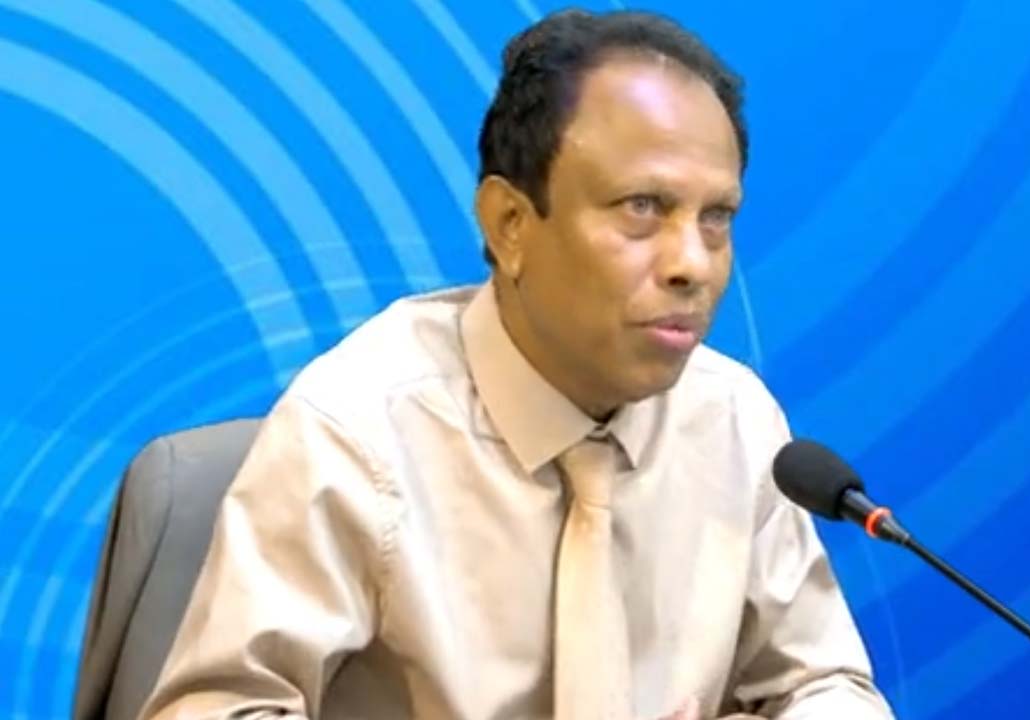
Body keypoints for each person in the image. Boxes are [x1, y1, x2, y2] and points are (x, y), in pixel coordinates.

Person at [141, 9, 892, 720]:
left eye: (716, 217)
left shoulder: (733, 419)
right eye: (641, 207)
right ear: (509, 224)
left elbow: (824, 682)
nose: (691, 264)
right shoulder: (358, 430)